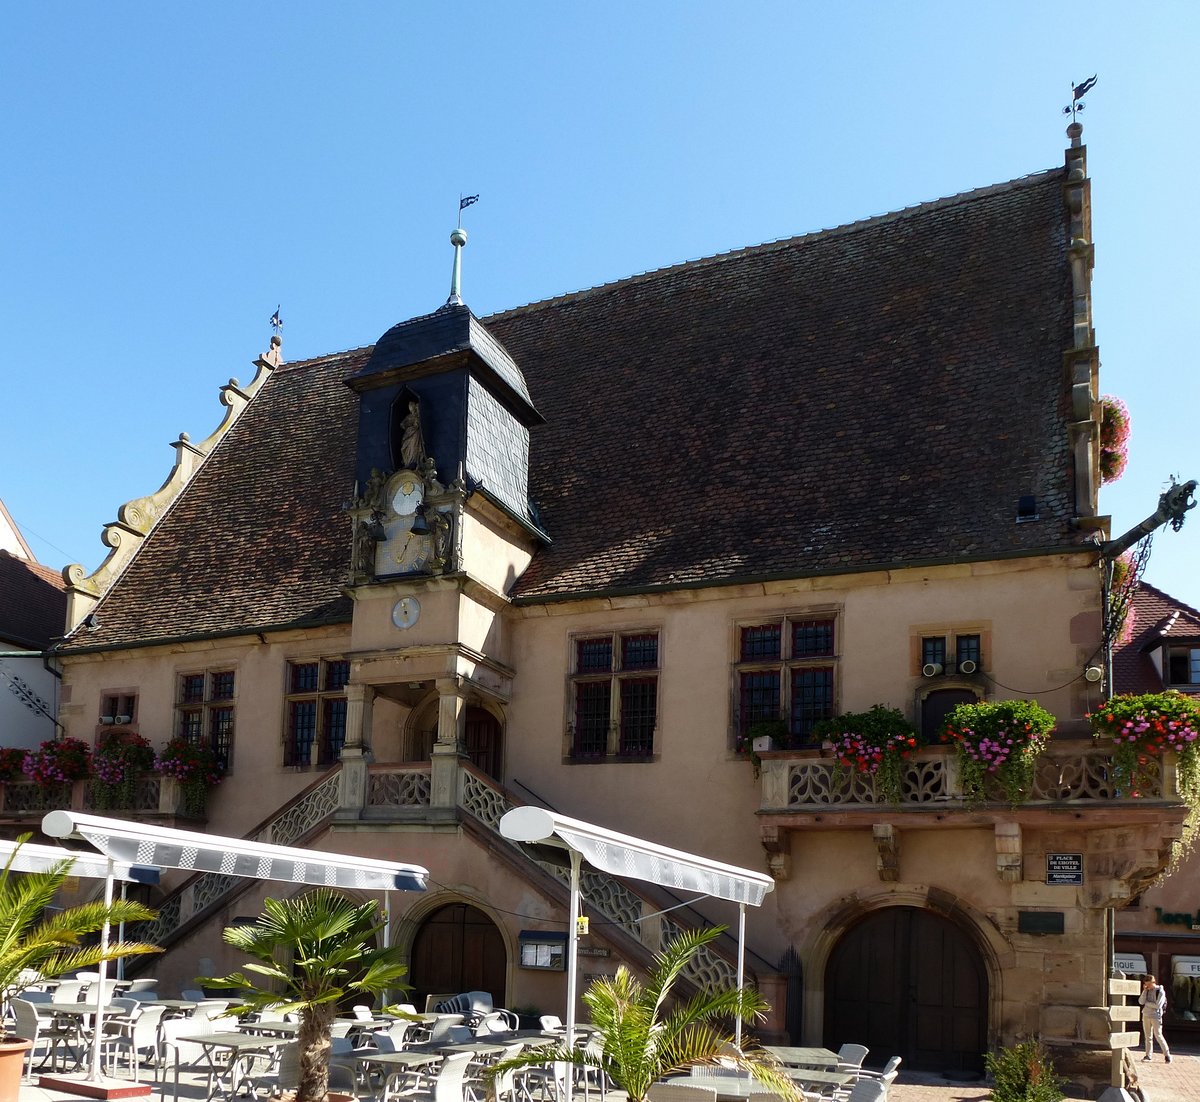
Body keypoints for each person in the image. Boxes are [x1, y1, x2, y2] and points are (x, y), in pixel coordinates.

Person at [1139, 973, 1171, 1062]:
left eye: (1149, 984)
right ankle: (1148, 1055)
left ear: (1153, 982)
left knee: (1158, 1035)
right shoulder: (1147, 990)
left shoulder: (1160, 991)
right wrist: (1144, 991)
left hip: (1156, 1016)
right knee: (1147, 1036)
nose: (1147, 986)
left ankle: (1167, 1054)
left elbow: (1158, 1005)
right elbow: (1141, 1001)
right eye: (1146, 984)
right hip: (1146, 1014)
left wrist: (1147, 1003)